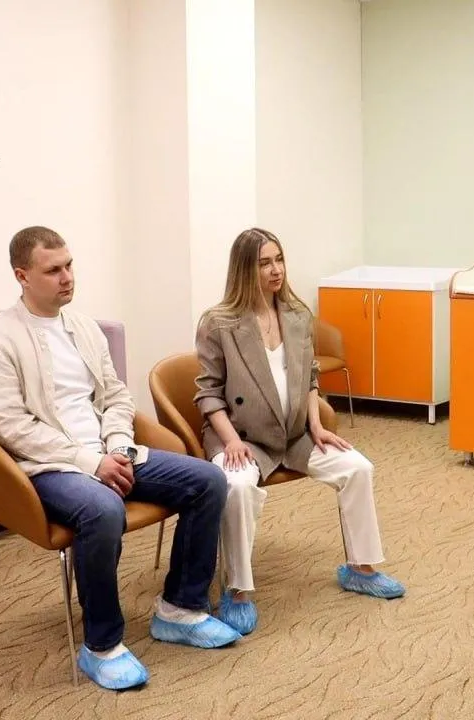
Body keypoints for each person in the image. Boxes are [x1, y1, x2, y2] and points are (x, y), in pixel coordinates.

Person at [0, 226, 241, 692]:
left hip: (109, 452)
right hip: (47, 467)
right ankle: (101, 645)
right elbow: (13, 430)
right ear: (22, 276)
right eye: (53, 270)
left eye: (69, 265)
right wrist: (90, 463)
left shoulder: (85, 328)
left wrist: (116, 448)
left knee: (208, 481)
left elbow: (115, 396)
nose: (67, 277)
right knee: (102, 509)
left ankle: (180, 608)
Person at [193, 227, 405, 635]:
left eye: (279, 260)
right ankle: (237, 590)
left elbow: (309, 378)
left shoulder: (297, 315)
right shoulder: (218, 323)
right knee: (237, 487)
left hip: (294, 434)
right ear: (244, 269)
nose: (276, 270)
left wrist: (317, 425)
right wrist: (231, 440)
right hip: (242, 437)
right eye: (264, 263)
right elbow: (208, 393)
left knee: (357, 467)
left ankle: (360, 569)